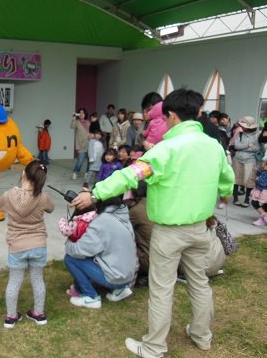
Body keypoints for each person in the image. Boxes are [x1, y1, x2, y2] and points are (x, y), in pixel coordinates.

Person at [72, 89, 234, 357]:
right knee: (199, 282)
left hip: (169, 233)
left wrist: (95, 193)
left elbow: (131, 175)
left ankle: (154, 346)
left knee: (161, 289)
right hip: (201, 230)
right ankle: (202, 335)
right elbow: (226, 179)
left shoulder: (165, 150)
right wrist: (225, 194)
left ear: (171, 116)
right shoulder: (214, 147)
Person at [0, 160, 55, 328]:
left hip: (17, 246)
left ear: (23, 174)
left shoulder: (9, 196)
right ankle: (39, 314)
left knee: (14, 281)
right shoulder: (43, 197)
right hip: (38, 245)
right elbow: (51, 208)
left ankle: (11, 317)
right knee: (38, 280)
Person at [64, 195, 137, 308]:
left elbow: (78, 251)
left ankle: (91, 297)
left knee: (70, 259)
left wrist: (69, 242)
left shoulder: (102, 221)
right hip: (129, 276)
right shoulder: (122, 214)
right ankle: (121, 289)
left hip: (115, 277)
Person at [231, 116, 260, 207]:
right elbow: (236, 146)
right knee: (236, 179)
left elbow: (257, 148)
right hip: (237, 159)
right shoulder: (239, 133)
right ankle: (235, 198)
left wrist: (245, 147)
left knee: (249, 181)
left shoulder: (257, 135)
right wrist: (248, 145)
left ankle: (247, 199)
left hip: (250, 160)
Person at [71, 108, 90, 180]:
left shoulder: (88, 122)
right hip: (80, 144)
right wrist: (74, 117)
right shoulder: (76, 122)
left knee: (89, 160)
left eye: (83, 113)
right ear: (78, 114)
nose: (82, 114)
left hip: (89, 144)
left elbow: (91, 131)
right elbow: (72, 126)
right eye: (80, 113)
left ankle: (87, 173)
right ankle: (76, 172)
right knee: (80, 160)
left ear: (85, 114)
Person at [250, 154, 267, 225]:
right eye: (264, 163)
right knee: (254, 202)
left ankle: (264, 217)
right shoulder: (262, 170)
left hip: (264, 190)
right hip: (259, 189)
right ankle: (264, 216)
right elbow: (257, 173)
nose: (263, 164)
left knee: (265, 204)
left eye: (265, 163)